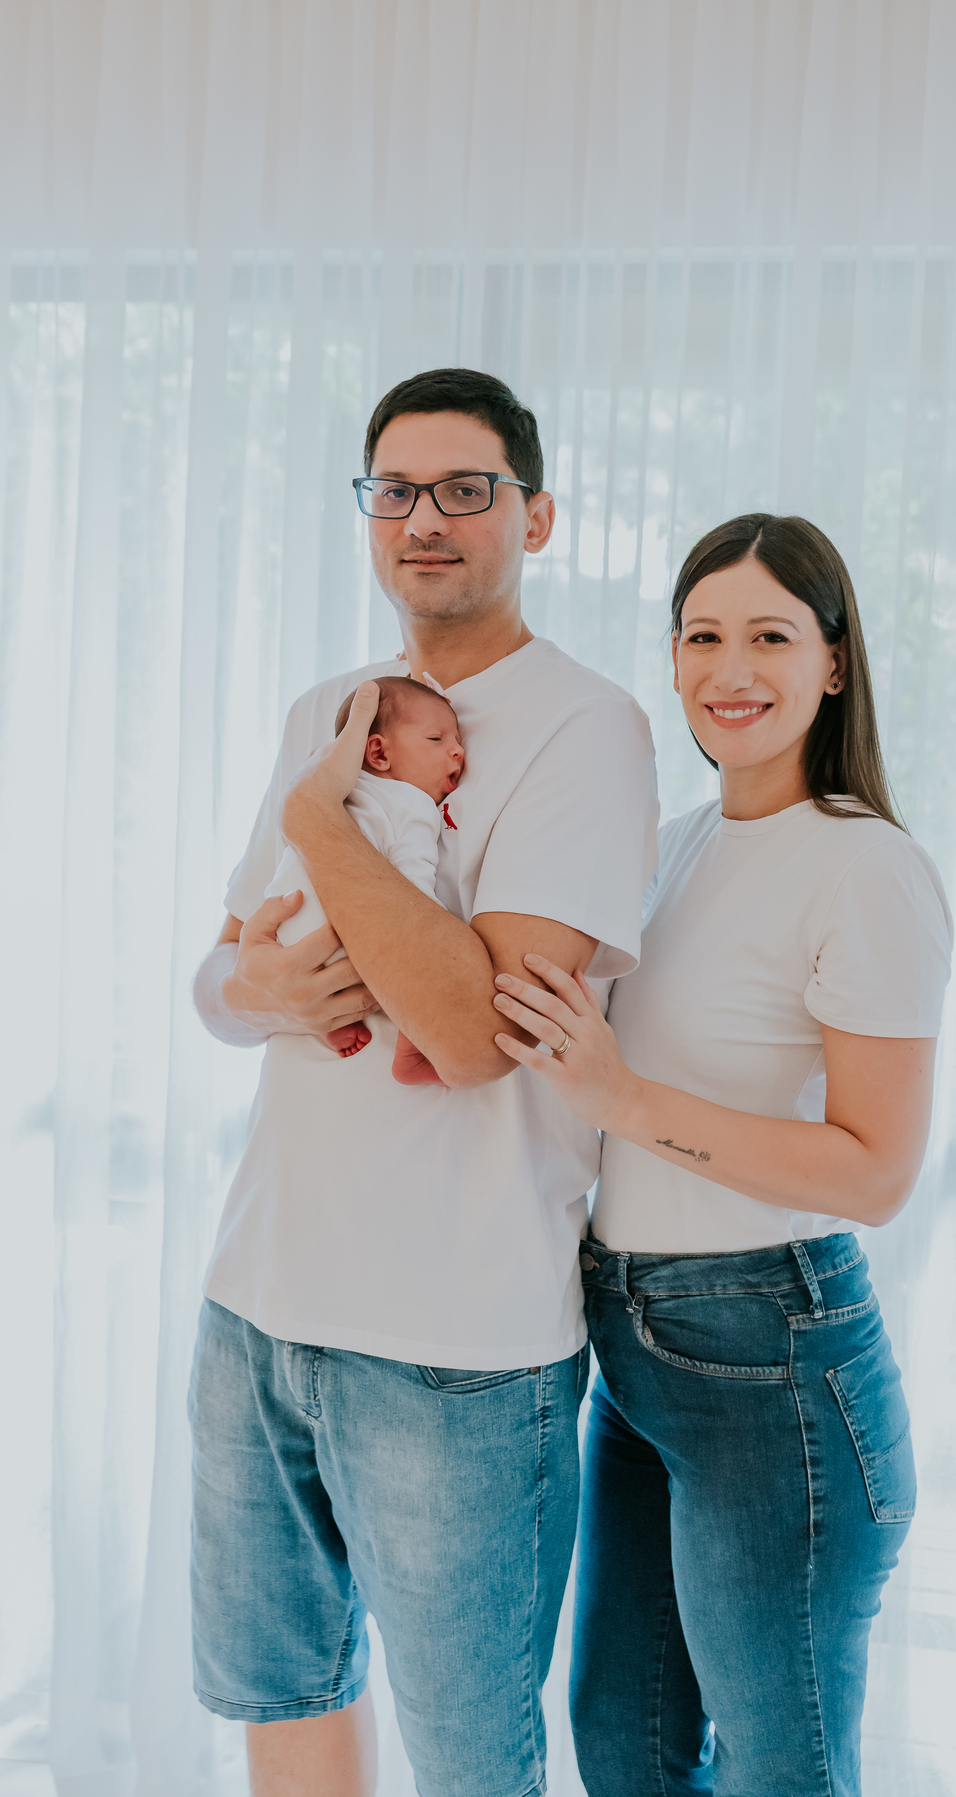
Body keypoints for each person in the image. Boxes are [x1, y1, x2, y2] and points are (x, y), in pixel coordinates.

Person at [189, 368, 658, 1797]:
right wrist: (254, 989)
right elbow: (220, 980)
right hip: (260, 1294)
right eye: (394, 489)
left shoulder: (589, 728)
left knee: (469, 1762)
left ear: (539, 513)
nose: (426, 519)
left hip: (455, 1345)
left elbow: (464, 1035)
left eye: (467, 489)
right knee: (282, 1694)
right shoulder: (325, 707)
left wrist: (318, 820)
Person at [489, 513, 953, 1796]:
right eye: (701, 637)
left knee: (778, 1770)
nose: (728, 669)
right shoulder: (681, 843)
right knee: (628, 1750)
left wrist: (622, 1097)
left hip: (772, 1363)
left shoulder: (867, 866)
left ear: (835, 665)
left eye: (769, 636)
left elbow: (875, 1171)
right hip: (633, 1348)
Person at [265, 673, 463, 1081]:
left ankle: (332, 1024)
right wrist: (445, 935)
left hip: (285, 925)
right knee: (424, 963)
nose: (458, 751)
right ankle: (413, 1049)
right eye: (436, 740)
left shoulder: (334, 785)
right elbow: (413, 884)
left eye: (457, 741)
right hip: (342, 930)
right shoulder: (412, 804)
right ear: (377, 751)